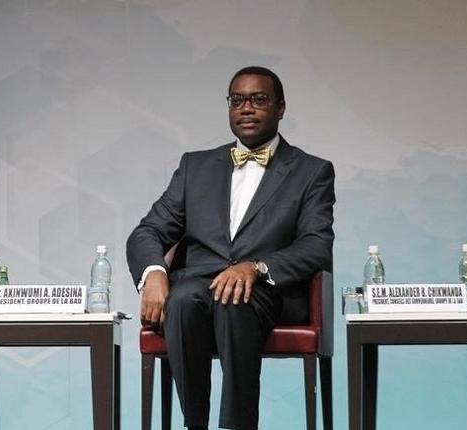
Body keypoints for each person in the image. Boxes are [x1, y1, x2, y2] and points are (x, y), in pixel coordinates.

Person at [126, 66, 335, 430]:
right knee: (183, 298)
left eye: (259, 99)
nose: (246, 108)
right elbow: (147, 232)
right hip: (197, 286)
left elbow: (316, 245)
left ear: (281, 107)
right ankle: (195, 424)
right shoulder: (196, 166)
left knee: (232, 299)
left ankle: (237, 425)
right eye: (237, 100)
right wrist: (154, 273)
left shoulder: (311, 171)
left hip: (267, 293)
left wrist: (256, 267)